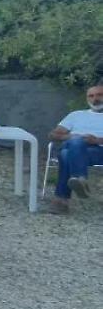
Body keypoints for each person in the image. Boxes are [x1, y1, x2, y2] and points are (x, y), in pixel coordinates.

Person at [48, 82, 103, 213]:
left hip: (98, 150)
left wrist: (96, 140)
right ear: (87, 99)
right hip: (74, 146)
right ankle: (80, 179)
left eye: (100, 95)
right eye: (91, 96)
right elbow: (53, 134)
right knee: (75, 142)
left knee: (66, 155)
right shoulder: (76, 115)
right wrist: (72, 137)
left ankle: (61, 201)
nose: (95, 99)